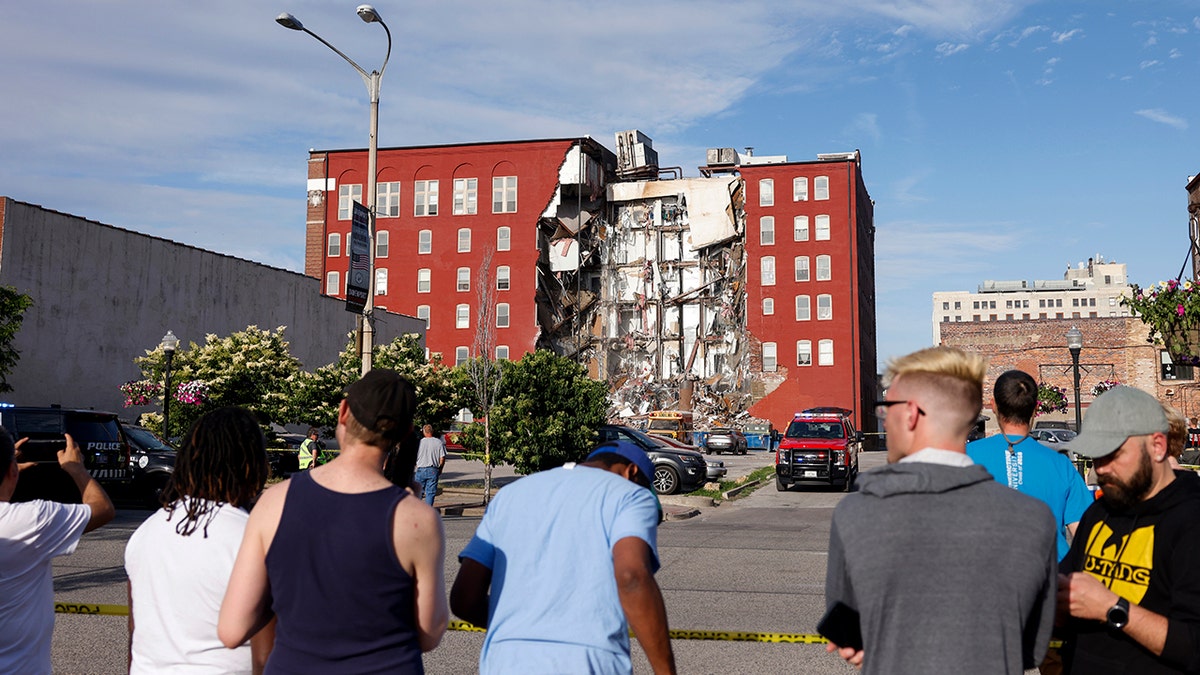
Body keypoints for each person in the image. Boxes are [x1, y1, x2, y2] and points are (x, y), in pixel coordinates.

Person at [825, 347, 1057, 673]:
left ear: (909, 414)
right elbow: (1033, 649)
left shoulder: (857, 513)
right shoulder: (1034, 520)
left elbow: (847, 631)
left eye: (885, 407)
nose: (883, 419)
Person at [219, 369, 448, 673]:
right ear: (405, 434)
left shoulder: (275, 501)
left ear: (343, 412)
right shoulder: (418, 519)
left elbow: (232, 629)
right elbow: (429, 634)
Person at [450, 440, 675, 674]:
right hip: (588, 661)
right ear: (631, 472)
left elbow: (464, 599)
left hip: (505, 660)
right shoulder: (630, 495)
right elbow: (632, 577)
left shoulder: (509, 495)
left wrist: (523, 625)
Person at [1056, 386, 1200, 673]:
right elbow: (1068, 601)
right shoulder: (1100, 511)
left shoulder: (1191, 520)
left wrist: (1112, 608)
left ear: (1158, 446)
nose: (1101, 469)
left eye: (1113, 455)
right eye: (1096, 457)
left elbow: (1193, 644)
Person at [125, 406, 273, 674]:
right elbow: (267, 656)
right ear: (250, 464)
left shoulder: (145, 533)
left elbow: (135, 636)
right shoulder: (253, 536)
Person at [0, 429, 114, 674]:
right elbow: (102, 509)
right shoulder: (32, 519)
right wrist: (77, 469)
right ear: (11, 471)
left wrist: (9, 471)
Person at [967, 369, 1094, 560]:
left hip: (983, 577)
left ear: (994, 406)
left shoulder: (964, 457)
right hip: (1050, 577)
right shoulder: (1061, 465)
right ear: (1035, 408)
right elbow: (1087, 538)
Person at [414, 424, 447, 506]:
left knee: (418, 492)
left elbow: (414, 456)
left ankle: (417, 509)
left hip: (421, 469)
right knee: (430, 492)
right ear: (432, 431)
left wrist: (416, 465)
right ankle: (428, 509)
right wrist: (440, 468)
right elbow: (442, 457)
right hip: (433, 469)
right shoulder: (439, 442)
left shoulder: (419, 443)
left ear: (424, 432)